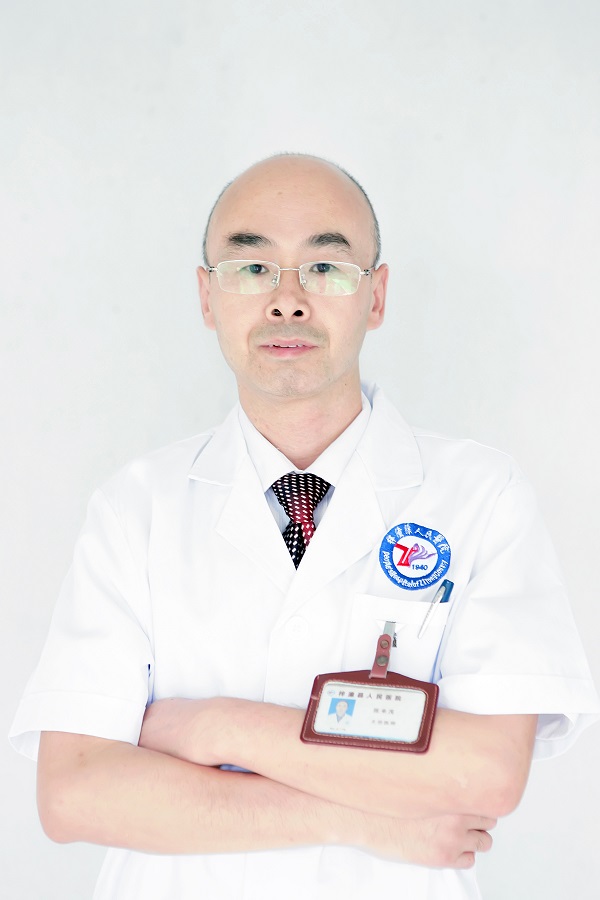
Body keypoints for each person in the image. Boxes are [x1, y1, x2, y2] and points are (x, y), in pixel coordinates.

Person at [10, 153, 599, 900]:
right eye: (251, 268)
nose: (287, 300)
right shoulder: (135, 508)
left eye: (326, 268)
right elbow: (75, 792)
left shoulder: (480, 496)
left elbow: (484, 773)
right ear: (206, 296)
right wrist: (368, 821)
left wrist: (219, 727)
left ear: (376, 296)